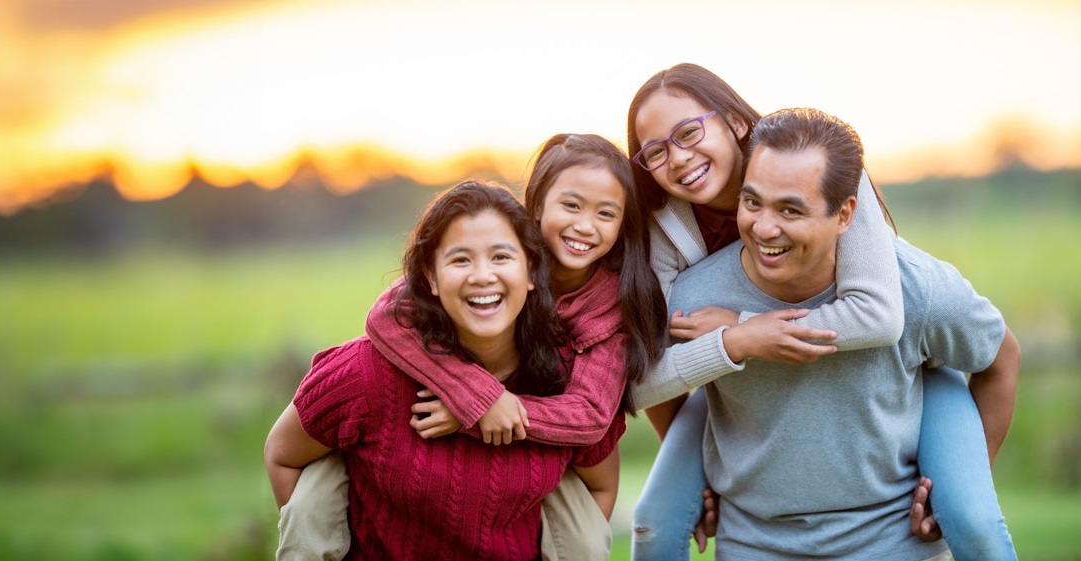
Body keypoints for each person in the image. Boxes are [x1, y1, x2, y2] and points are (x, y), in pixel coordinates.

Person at [626, 64, 1019, 560]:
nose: (678, 159)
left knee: (974, 519)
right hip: (728, 372)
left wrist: (743, 327)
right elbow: (651, 364)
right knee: (655, 520)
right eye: (656, 151)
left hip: (901, 370)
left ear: (734, 121)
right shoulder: (665, 230)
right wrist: (709, 454)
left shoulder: (818, 166)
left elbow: (881, 317)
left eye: (688, 132)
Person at [264, 181, 626, 560]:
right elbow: (282, 455)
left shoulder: (564, 382)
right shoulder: (366, 374)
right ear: (431, 277)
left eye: (501, 257)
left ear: (534, 271)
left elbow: (599, 491)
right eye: (460, 260)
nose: (482, 276)